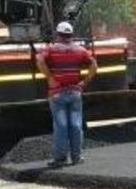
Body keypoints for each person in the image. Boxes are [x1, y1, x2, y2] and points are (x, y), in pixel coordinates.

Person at [36, 21, 98, 167]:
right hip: (75, 93)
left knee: (61, 126)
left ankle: (60, 158)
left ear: (58, 34)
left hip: (57, 94)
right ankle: (76, 157)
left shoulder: (51, 49)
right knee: (76, 125)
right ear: (71, 35)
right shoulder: (80, 50)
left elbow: (39, 60)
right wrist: (84, 82)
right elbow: (94, 65)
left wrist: (50, 78)